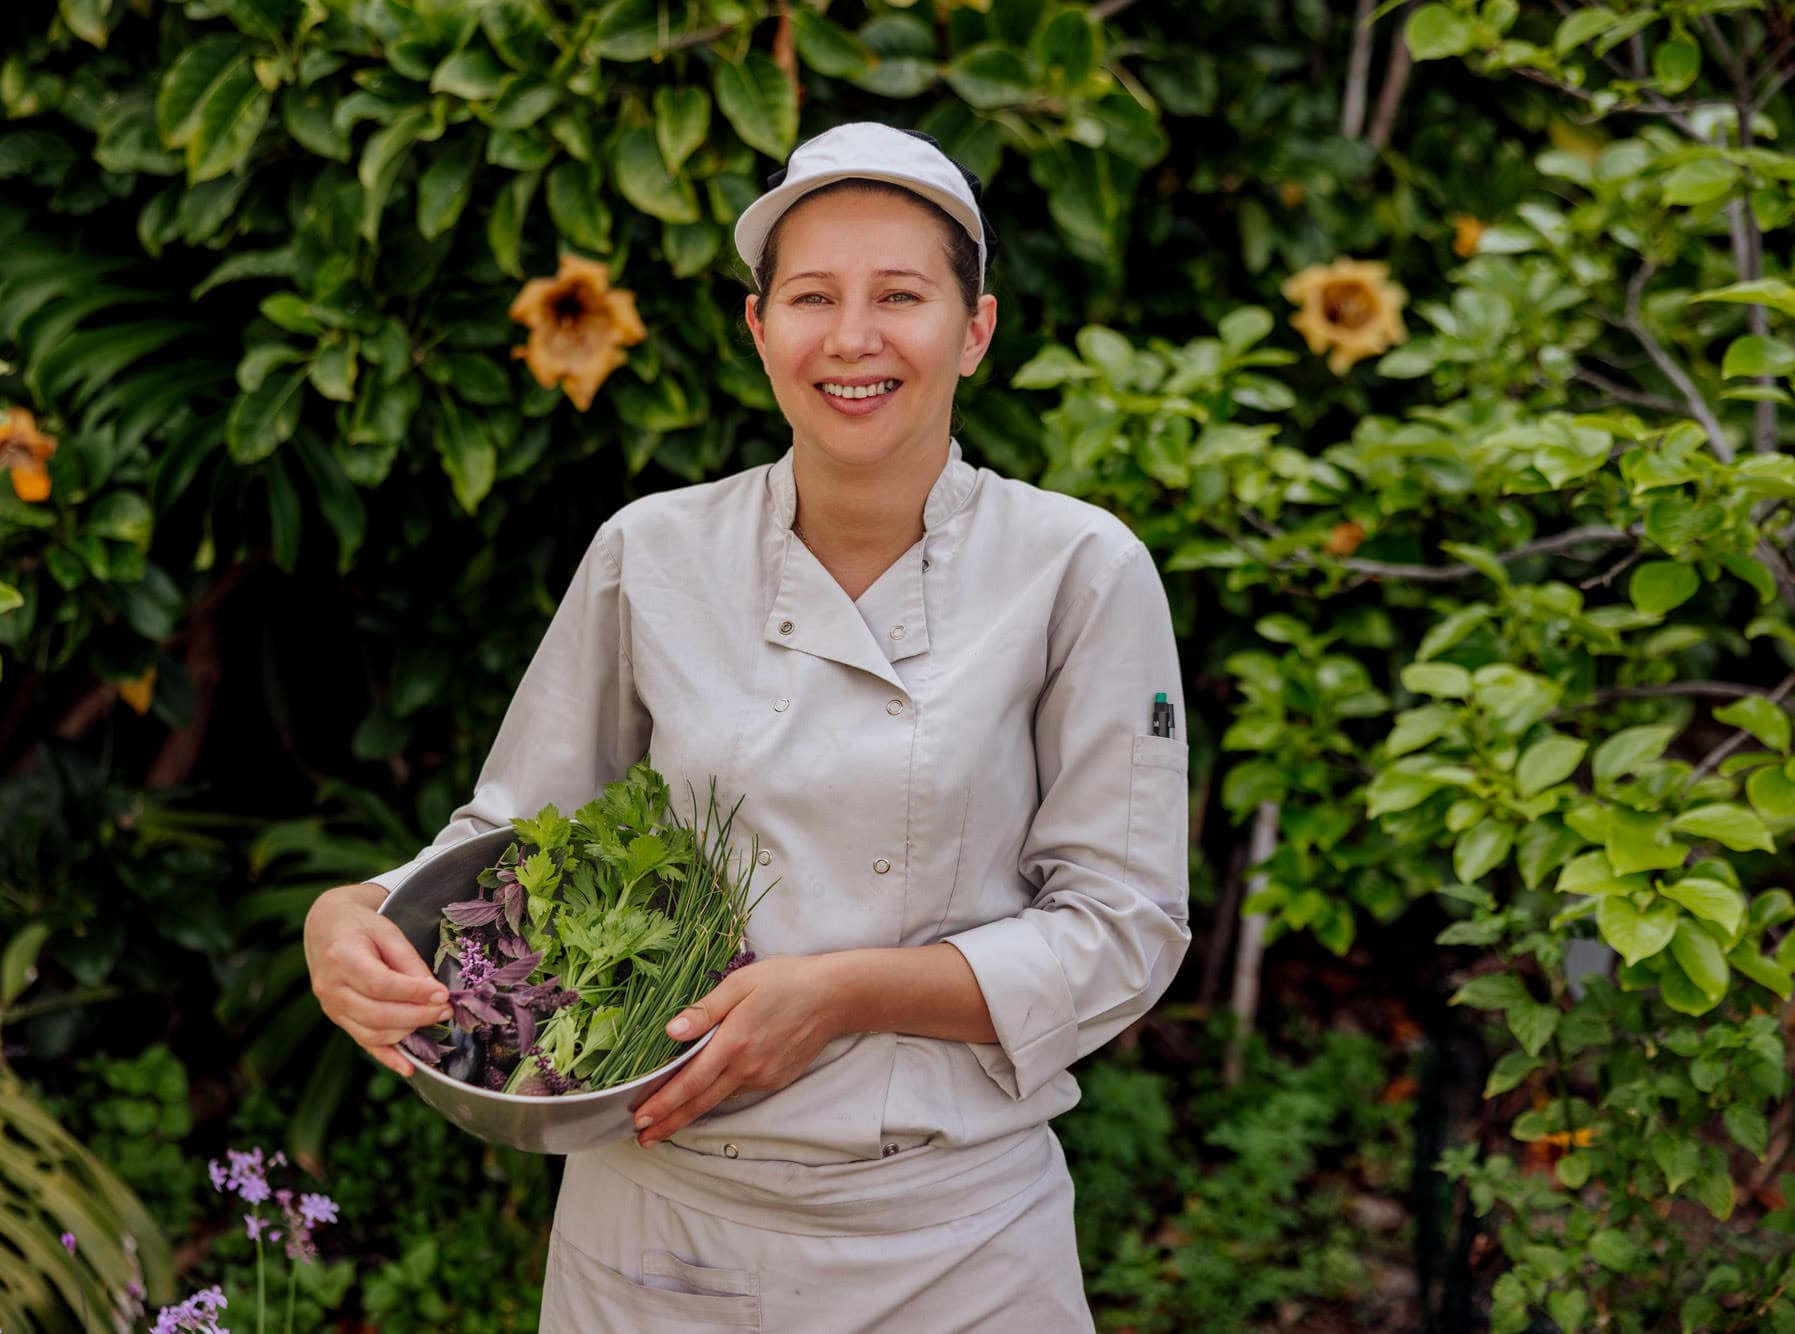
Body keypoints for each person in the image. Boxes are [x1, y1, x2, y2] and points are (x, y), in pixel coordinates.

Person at [302, 120, 1193, 1331]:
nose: (852, 338)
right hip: (657, 1227)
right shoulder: (651, 550)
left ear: (974, 330)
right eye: (811, 296)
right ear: (756, 327)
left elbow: (1121, 928)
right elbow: (515, 837)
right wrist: (354, 913)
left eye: (901, 295)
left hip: (956, 1241)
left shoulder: (1079, 569)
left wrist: (839, 992)